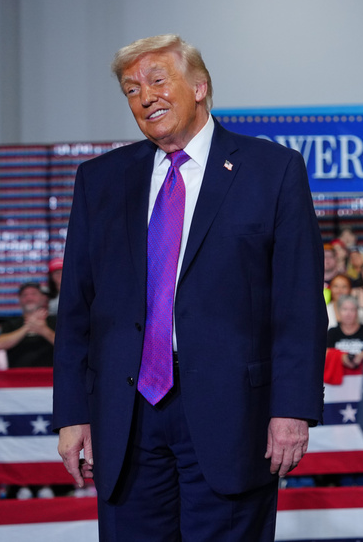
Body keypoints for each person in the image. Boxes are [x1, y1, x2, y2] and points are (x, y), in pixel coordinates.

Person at [52, 34, 327, 542]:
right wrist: (72, 413)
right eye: (131, 89)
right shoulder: (100, 180)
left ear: (200, 87)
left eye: (158, 80)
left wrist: (292, 409)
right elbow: (76, 311)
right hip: (126, 415)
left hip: (234, 415)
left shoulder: (272, 171)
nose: (145, 96)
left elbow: (299, 306)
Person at [0, 282, 56, 367]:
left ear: (43, 298)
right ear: (19, 300)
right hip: (18, 374)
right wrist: (27, 327)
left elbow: (65, 346)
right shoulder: (11, 323)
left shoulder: (55, 321)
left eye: (34, 294)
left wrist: (43, 330)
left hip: (50, 373)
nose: (29, 298)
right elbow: (0, 344)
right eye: (24, 295)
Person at [326, 295, 363, 371]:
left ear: (357, 311)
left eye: (352, 310)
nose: (348, 314)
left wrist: (362, 355)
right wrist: (341, 357)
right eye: (344, 309)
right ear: (338, 311)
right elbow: (326, 353)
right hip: (337, 375)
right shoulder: (332, 332)